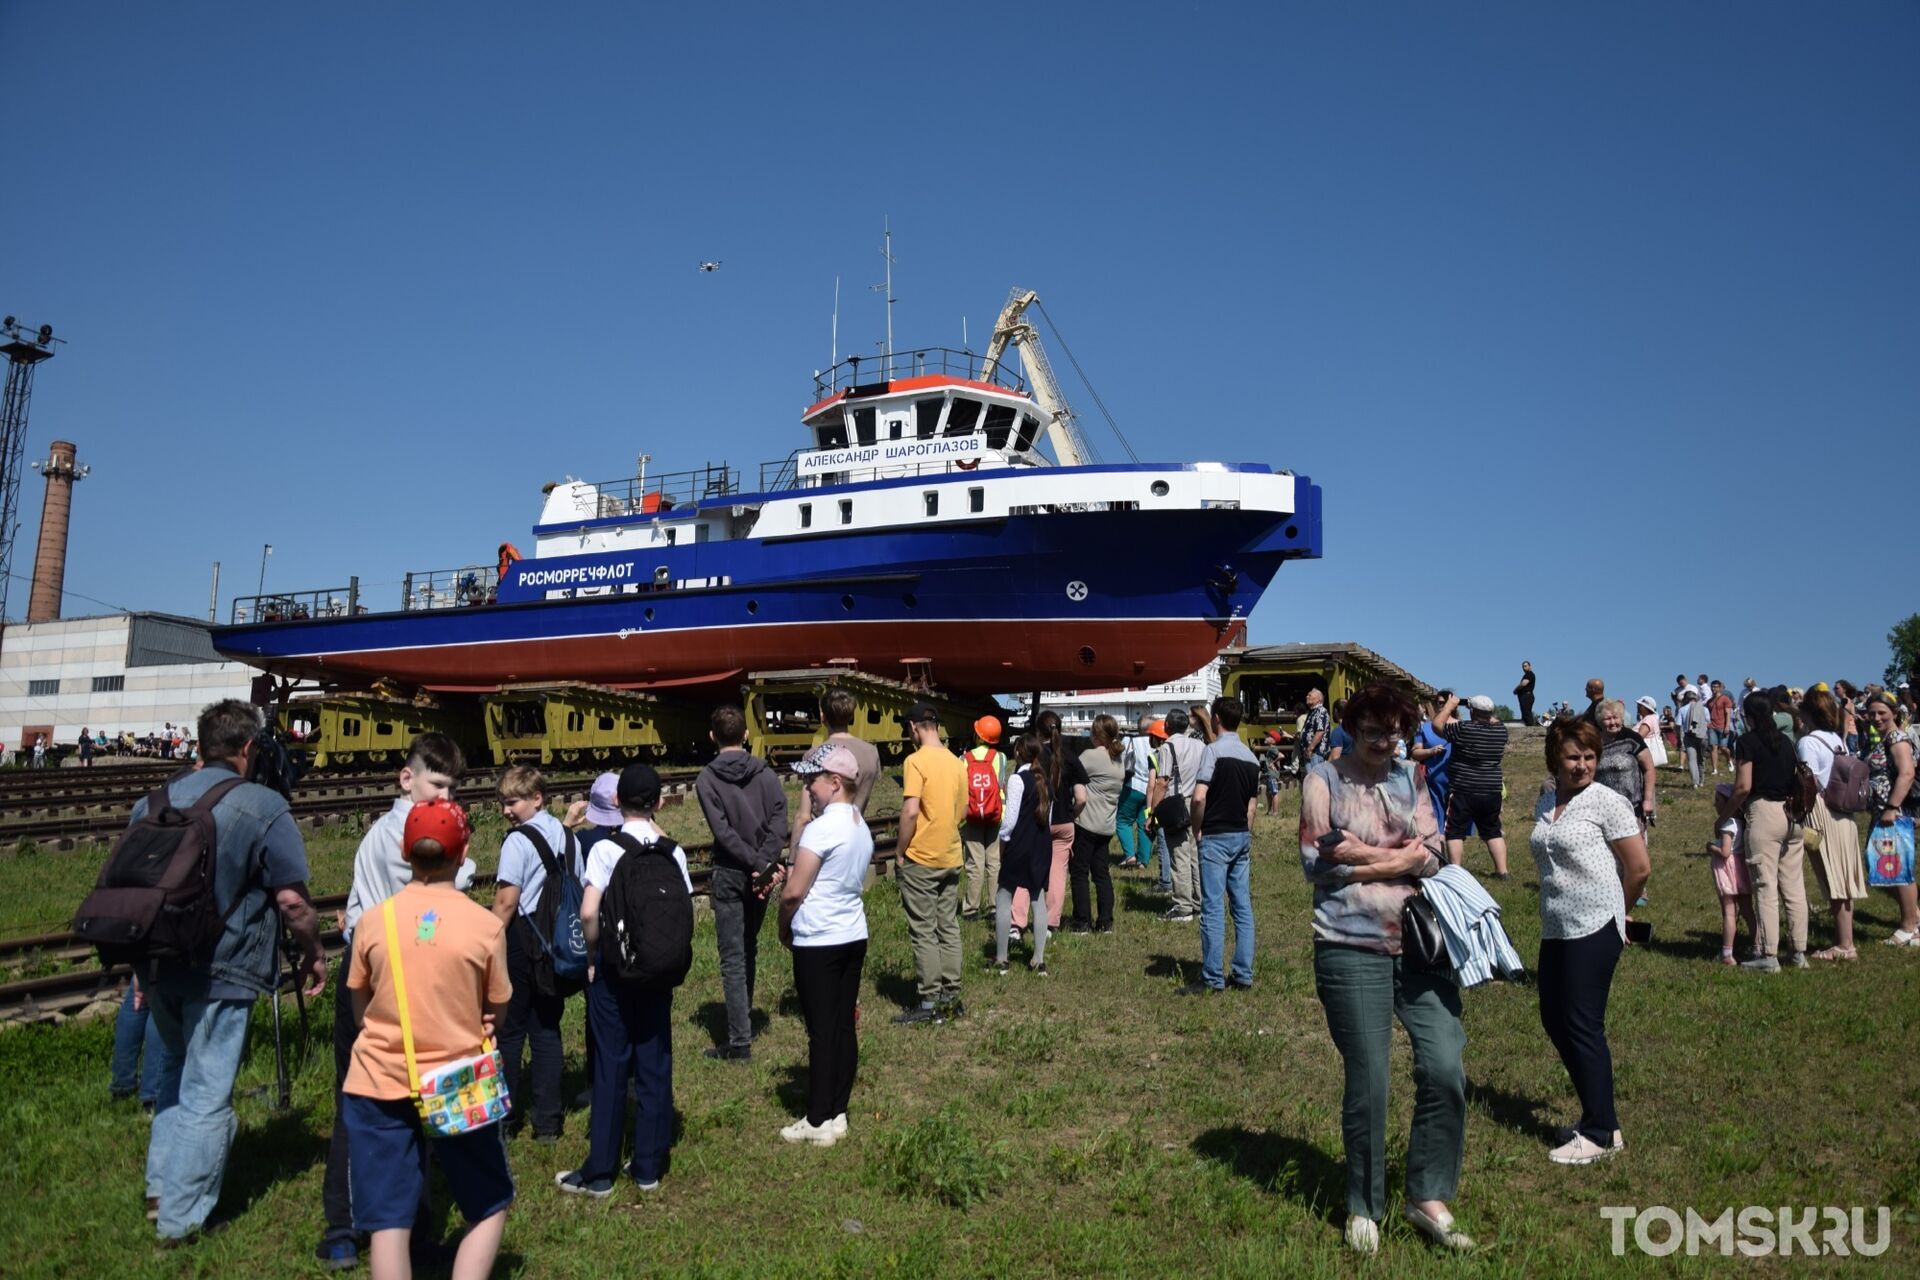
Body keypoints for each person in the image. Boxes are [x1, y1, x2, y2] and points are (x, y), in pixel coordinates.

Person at [138, 700, 328, 1242]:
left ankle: (160, 1190)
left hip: (157, 962)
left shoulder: (153, 800)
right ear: (248, 748)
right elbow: (292, 901)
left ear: (201, 745)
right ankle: (182, 1219)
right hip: (225, 966)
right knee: (207, 1089)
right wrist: (313, 951)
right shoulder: (263, 804)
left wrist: (137, 973)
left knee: (177, 1070)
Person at [1298, 683, 1466, 1255]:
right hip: (1349, 944)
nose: (1381, 741)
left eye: (1392, 731)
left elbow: (1436, 854)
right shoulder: (1322, 778)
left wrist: (1365, 857)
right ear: (1351, 726)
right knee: (1369, 1080)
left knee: (1445, 1067)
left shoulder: (1411, 778)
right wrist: (1403, 860)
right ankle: (1363, 1205)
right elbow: (1315, 862)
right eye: (1370, 729)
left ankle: (1428, 1197)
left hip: (1421, 945)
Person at [342, 799, 513, 1280]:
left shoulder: (373, 921)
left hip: (377, 1080)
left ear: (405, 850)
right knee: (487, 1202)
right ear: (463, 854)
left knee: (389, 1222)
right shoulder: (484, 926)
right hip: (457, 1079)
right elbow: (496, 1007)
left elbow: (360, 1002)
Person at [319, 734, 472, 1268]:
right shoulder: (398, 835)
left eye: (451, 790)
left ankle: (386, 1223)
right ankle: (362, 1224)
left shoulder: (404, 830)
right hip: (383, 976)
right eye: (436, 787)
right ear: (406, 780)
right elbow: (435, 901)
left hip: (388, 969)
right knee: (373, 1100)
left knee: (395, 1100)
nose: (443, 800)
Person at [558, 763, 692, 1197]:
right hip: (657, 973)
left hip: (615, 974)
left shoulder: (606, 850)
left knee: (611, 1067)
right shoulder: (674, 851)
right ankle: (649, 1167)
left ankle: (600, 1173)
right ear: (657, 802)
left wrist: (594, 956)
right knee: (655, 1063)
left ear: (617, 803)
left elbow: (588, 912)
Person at [1528, 718, 1649, 1164]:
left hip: (1596, 923)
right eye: (1573, 757)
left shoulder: (1608, 802)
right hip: (1555, 924)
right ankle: (1602, 1120)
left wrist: (1622, 910)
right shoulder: (1545, 800)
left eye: (1589, 757)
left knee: (1582, 1023)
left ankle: (1598, 1131)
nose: (1582, 766)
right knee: (1554, 1018)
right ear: (1554, 760)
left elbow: (1638, 868)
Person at [777, 745, 874, 1145]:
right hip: (852, 933)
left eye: (810, 780)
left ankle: (816, 1121)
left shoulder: (820, 829)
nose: (806, 788)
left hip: (819, 938)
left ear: (835, 783)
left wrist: (784, 927)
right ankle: (837, 1112)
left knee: (820, 1030)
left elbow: (793, 892)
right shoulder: (858, 824)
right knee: (842, 1026)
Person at [693, 704, 788, 1060]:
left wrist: (751, 861)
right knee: (749, 948)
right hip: (760, 871)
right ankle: (743, 1024)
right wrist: (764, 861)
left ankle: (739, 1042)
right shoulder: (765, 774)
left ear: (712, 737)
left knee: (733, 956)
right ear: (746, 735)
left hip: (731, 871)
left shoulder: (706, 779)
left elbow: (723, 832)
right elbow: (780, 818)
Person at [491, 765, 580, 1139]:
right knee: (547, 1028)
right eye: (503, 803)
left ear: (536, 798)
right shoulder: (567, 834)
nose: (506, 811)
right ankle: (548, 1122)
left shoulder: (517, 841)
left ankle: (506, 1122)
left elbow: (506, 901)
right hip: (555, 942)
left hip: (522, 941)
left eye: (512, 802)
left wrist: (487, 939)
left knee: (510, 1033)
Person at [891, 702, 967, 1024]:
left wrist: (900, 850)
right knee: (948, 925)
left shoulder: (915, 761)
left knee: (923, 930)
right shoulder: (956, 763)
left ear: (913, 728)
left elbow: (910, 811)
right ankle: (952, 995)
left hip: (921, 857)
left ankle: (928, 1002)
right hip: (950, 854)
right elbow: (962, 812)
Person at [1181, 697, 1261, 995]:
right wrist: (1245, 834)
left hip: (1215, 835)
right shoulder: (1252, 759)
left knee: (1212, 906)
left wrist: (1197, 828)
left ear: (1216, 719)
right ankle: (1243, 974)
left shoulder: (1213, 751)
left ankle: (1212, 977)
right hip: (1240, 834)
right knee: (1242, 906)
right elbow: (1252, 807)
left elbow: (1199, 797)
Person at [1724, 692, 1808, 971]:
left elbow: (1743, 787)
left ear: (1747, 715)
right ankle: (1798, 951)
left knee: (1765, 885)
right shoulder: (1786, 742)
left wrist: (1723, 816)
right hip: (1792, 815)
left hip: (1764, 813)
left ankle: (1769, 955)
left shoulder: (1746, 742)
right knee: (1794, 886)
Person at [1794, 689, 1866, 961]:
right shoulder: (1837, 740)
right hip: (1843, 813)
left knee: (1833, 877)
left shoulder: (1808, 743)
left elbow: (1807, 782)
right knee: (1844, 878)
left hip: (1821, 812)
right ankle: (1845, 940)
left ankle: (1844, 945)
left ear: (1809, 714)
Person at [1011, 709, 1085, 938]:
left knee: (1026, 870)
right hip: (1064, 823)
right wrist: (1070, 813)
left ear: (1036, 731)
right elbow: (1082, 797)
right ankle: (1051, 924)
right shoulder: (1070, 757)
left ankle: (1017, 923)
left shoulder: (1032, 757)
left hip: (1036, 820)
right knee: (1058, 873)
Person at [787, 688, 881, 856]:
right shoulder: (871, 752)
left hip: (821, 843)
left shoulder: (814, 755)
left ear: (823, 717)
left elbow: (803, 816)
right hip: (855, 837)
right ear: (852, 716)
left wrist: (793, 860)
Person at [1861, 693, 1919, 947]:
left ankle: (1908, 926)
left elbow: (1907, 773)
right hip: (1882, 814)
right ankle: (1914, 917)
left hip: (1894, 814)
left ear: (1894, 712)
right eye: (1872, 713)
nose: (1876, 718)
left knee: (1896, 870)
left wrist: (1892, 807)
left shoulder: (1897, 738)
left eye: (1882, 712)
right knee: (1882, 869)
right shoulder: (1883, 738)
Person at [1431, 694, 1509, 877]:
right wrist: (1483, 710)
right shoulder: (1501, 731)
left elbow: (1436, 725)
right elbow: (1493, 720)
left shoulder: (1463, 729)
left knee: (1455, 831)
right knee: (1492, 830)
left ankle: (1456, 871)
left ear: (1472, 712)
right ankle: (1502, 871)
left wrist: (1450, 705)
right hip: (1491, 790)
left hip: (1463, 789)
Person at [992, 739, 1053, 976]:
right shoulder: (1045, 780)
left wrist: (1002, 844)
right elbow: (1048, 819)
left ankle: (1002, 957)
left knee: (1004, 895)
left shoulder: (1017, 779)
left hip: (1019, 844)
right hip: (1041, 844)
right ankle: (1038, 959)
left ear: (1018, 752)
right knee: (1038, 899)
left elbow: (1010, 820)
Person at [1070, 714, 1125, 933]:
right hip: (1106, 824)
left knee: (1080, 872)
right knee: (1101, 873)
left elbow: (1070, 776)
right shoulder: (1118, 759)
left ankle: (1082, 921)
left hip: (1086, 822)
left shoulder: (1089, 756)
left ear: (1096, 734)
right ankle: (1105, 921)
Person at [1148, 708, 1203, 923]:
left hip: (1176, 803)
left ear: (1167, 727)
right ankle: (1199, 901)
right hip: (1198, 800)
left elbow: (1162, 782)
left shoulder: (1167, 747)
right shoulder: (1200, 745)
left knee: (1178, 854)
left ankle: (1182, 906)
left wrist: (1152, 812)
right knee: (1195, 854)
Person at [959, 716, 1008, 920]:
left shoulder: (965, 759)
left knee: (974, 863)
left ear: (978, 735)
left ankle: (971, 908)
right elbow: (1002, 783)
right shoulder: (1001, 758)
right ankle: (994, 906)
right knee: (994, 862)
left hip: (972, 816)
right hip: (995, 815)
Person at [1708, 784, 1756, 965]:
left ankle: (1727, 953)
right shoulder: (1742, 823)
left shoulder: (1727, 825)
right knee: (1748, 911)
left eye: (1718, 801)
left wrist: (1711, 847)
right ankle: (1757, 944)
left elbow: (1725, 852)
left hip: (1728, 872)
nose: (1715, 804)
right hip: (1741, 870)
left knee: (1729, 911)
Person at [1593, 701, 1656, 834]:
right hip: (1603, 809)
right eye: (1607, 719)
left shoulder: (1632, 738)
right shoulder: (1594, 743)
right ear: (1599, 721)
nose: (1612, 722)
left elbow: (1649, 769)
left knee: (1634, 853)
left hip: (1632, 808)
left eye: (1615, 717)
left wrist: (1648, 800)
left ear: (1622, 718)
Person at [1409, 694, 1453, 831]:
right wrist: (1430, 752)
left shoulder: (1460, 726)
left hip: (1457, 780)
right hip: (1434, 780)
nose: (1442, 706)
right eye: (1439, 703)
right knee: (1436, 820)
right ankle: (1438, 848)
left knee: (1455, 826)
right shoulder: (1424, 728)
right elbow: (1415, 753)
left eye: (1446, 703)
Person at [1117, 714, 1157, 865]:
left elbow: (1121, 761)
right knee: (1145, 824)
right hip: (1152, 790)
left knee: (1122, 820)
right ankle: (1143, 861)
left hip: (1132, 787)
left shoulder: (1130, 740)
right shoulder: (1158, 743)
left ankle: (1129, 855)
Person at [1680, 689, 1712, 788]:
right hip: (1702, 736)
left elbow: (1678, 724)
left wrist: (1679, 737)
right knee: (1701, 759)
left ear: (1686, 699)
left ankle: (1695, 782)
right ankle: (1701, 780)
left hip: (1688, 736)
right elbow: (1708, 723)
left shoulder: (1682, 709)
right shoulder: (1704, 709)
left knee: (1692, 759)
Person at [1706, 680, 1736, 776]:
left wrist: (1727, 726)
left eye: (1715, 687)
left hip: (1722, 726)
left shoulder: (1725, 699)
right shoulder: (1709, 701)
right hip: (1712, 726)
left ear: (1719, 688)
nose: (1713, 689)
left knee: (1723, 747)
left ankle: (1729, 760)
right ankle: (1715, 769)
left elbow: (1728, 713)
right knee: (1713, 747)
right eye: (1712, 687)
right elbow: (1708, 713)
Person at [1301, 688, 1332, 764]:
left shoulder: (1321, 711)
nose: (1307, 697)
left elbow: (1320, 732)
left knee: (1315, 775)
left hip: (1315, 754)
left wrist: (1310, 749)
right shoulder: (1313, 712)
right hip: (1311, 753)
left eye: (1309, 695)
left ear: (1318, 699)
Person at [1515, 662, 1537, 727]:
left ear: (1530, 666)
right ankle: (1526, 727)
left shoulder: (1530, 674)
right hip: (1524, 696)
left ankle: (1530, 728)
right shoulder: (1527, 675)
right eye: (1523, 667)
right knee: (1524, 714)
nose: (1524, 668)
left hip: (1527, 696)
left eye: (1525, 666)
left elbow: (1523, 683)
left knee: (1527, 713)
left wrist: (1516, 689)